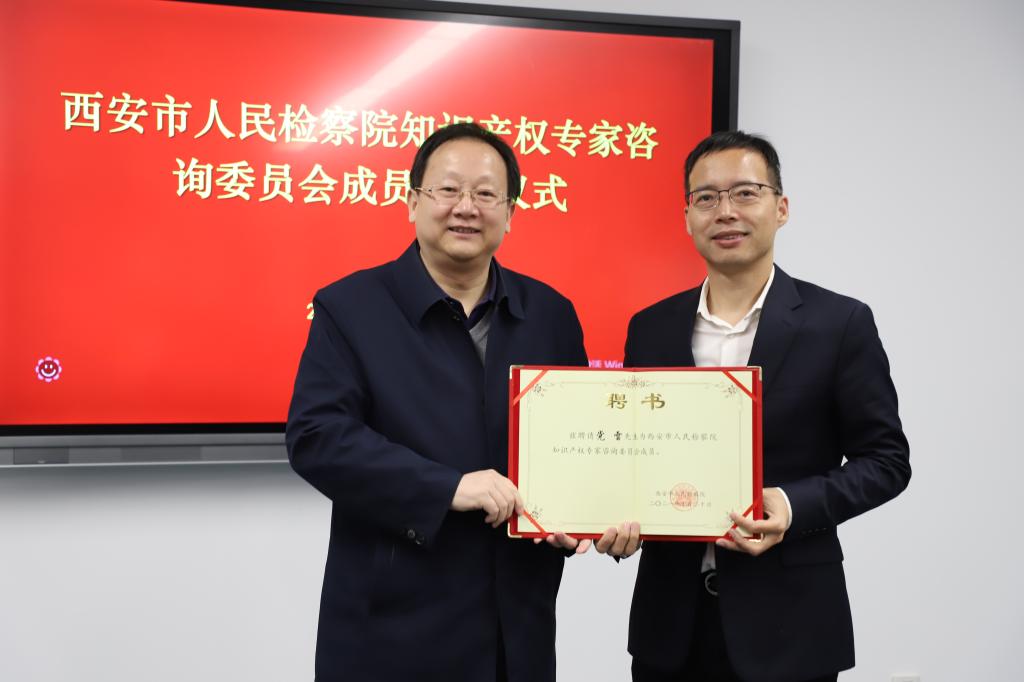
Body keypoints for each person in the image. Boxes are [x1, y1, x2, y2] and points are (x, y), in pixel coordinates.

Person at [285, 123, 590, 682]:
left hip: (516, 630)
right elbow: (318, 438)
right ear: (412, 202)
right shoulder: (351, 307)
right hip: (393, 629)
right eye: (448, 189)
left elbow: (576, 444)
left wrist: (591, 512)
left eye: (486, 194)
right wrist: (447, 487)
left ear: (511, 212)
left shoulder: (551, 314)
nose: (466, 208)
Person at [619, 130, 911, 682]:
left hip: (791, 626)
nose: (725, 211)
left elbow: (887, 462)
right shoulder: (650, 327)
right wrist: (610, 516)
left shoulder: (839, 323)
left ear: (781, 208)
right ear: (687, 216)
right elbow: (634, 457)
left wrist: (791, 504)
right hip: (670, 628)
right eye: (706, 197)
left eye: (745, 193)